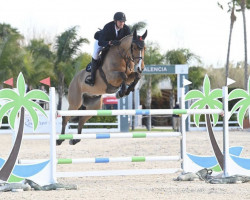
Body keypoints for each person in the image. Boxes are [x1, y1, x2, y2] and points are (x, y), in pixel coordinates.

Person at [85, 12, 131, 86]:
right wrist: (110, 42)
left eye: (123, 21)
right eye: (120, 21)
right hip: (103, 41)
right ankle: (92, 79)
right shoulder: (108, 27)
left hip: (116, 46)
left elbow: (129, 40)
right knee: (96, 54)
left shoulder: (126, 29)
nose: (122, 23)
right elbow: (100, 42)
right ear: (115, 21)